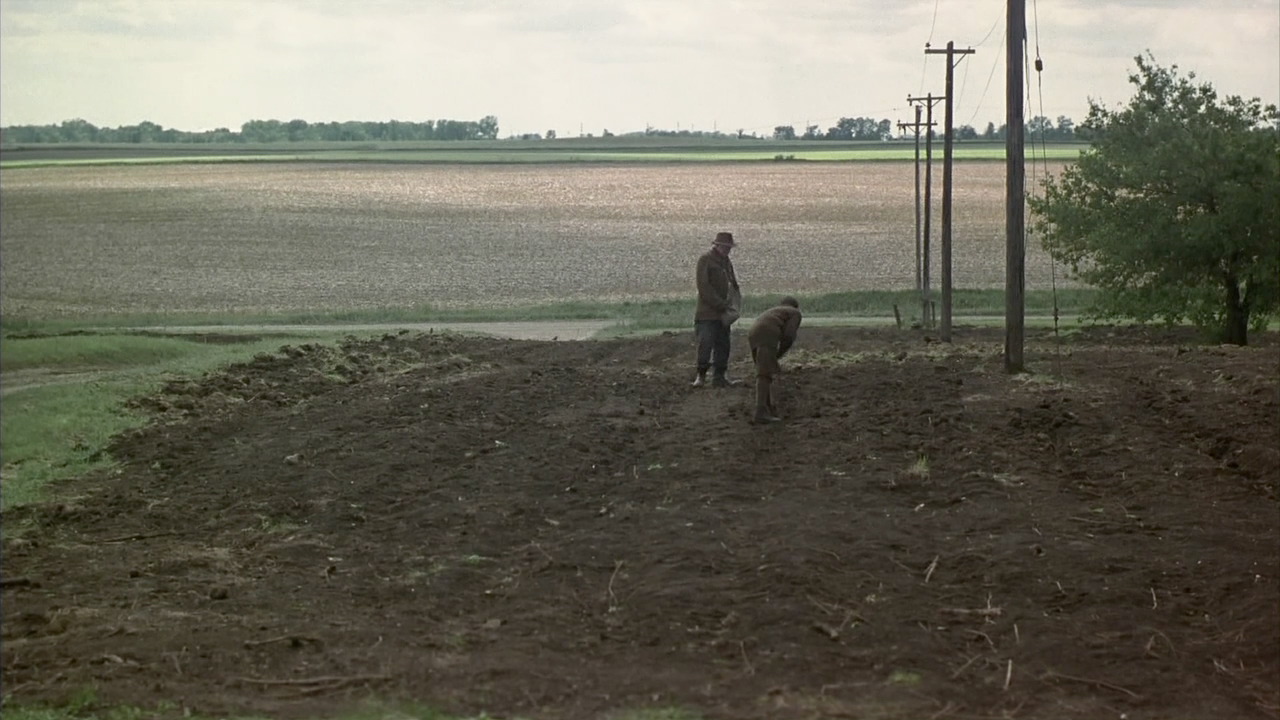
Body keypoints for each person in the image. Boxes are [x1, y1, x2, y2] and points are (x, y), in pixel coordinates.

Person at [692, 231, 744, 388]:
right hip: (707, 313)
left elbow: (733, 283)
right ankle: (701, 376)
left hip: (723, 313)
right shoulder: (705, 260)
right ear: (717, 245)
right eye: (725, 247)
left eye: (729, 247)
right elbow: (703, 286)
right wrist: (720, 304)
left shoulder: (727, 262)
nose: (728, 250)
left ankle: (719, 377)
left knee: (723, 345)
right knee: (705, 344)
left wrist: (734, 301)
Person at [747, 296, 802, 423]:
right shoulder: (795, 313)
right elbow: (789, 336)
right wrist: (778, 354)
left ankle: (767, 407)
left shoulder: (775, 311)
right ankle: (760, 412)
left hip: (753, 332)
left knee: (763, 371)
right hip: (768, 333)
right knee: (764, 374)